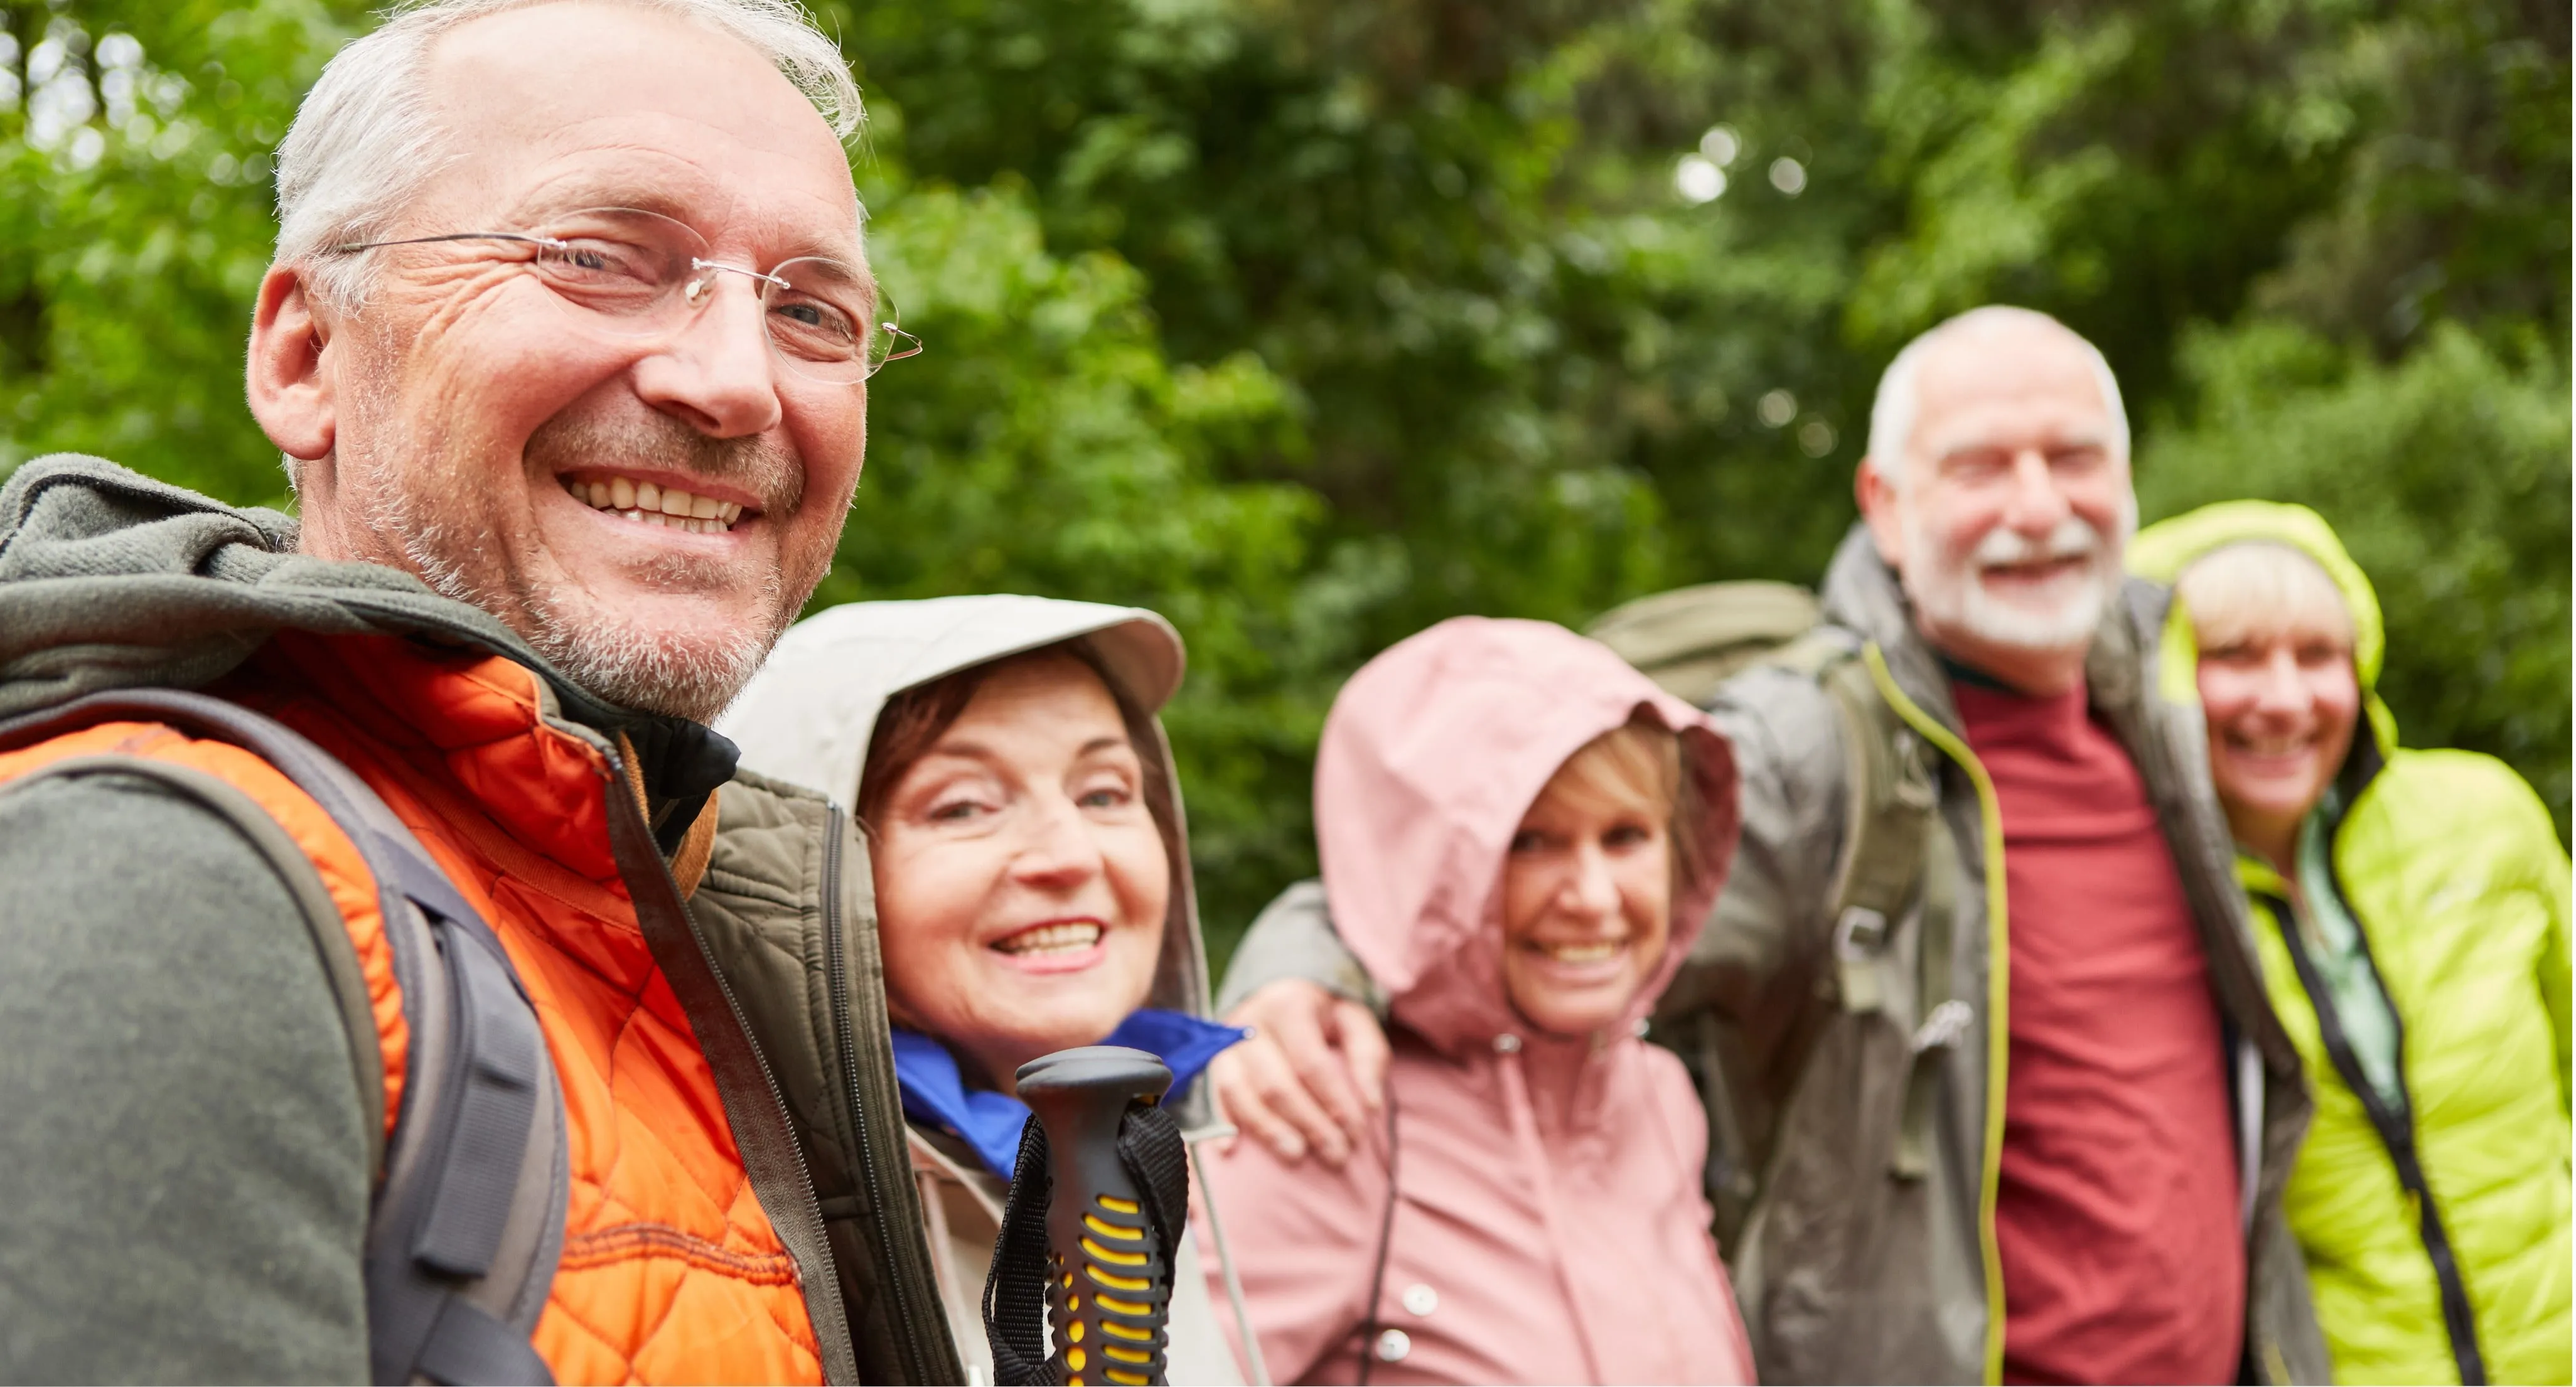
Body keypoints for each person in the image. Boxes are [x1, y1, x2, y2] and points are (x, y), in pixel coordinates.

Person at [0, 1, 963, 1381]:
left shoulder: (697, 903)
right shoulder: (154, 881)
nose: (737, 381)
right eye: (599, 259)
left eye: (811, 310)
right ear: (306, 356)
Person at [1210, 306, 2332, 1383]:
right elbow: (1497, 871)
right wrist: (1301, 972)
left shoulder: (2179, 718)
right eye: (1979, 468)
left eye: (2072, 457)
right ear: (1883, 506)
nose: (2036, 506)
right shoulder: (1814, 751)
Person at [1192, 617, 1754, 1385]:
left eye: (1625, 836)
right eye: (1531, 842)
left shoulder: (1658, 1096)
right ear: (1429, 867)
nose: (1593, 898)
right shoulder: (1320, 1115)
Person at [718, 594, 1255, 1385]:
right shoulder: (723, 1230)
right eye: (964, 805)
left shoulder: (1227, 1149)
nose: (1069, 854)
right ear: (806, 875)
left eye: (1104, 792)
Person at [2129, 501, 2572, 1386]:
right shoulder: (2136, 894)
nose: (2286, 698)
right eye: (2235, 655)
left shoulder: (2482, 814)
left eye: (2318, 655)